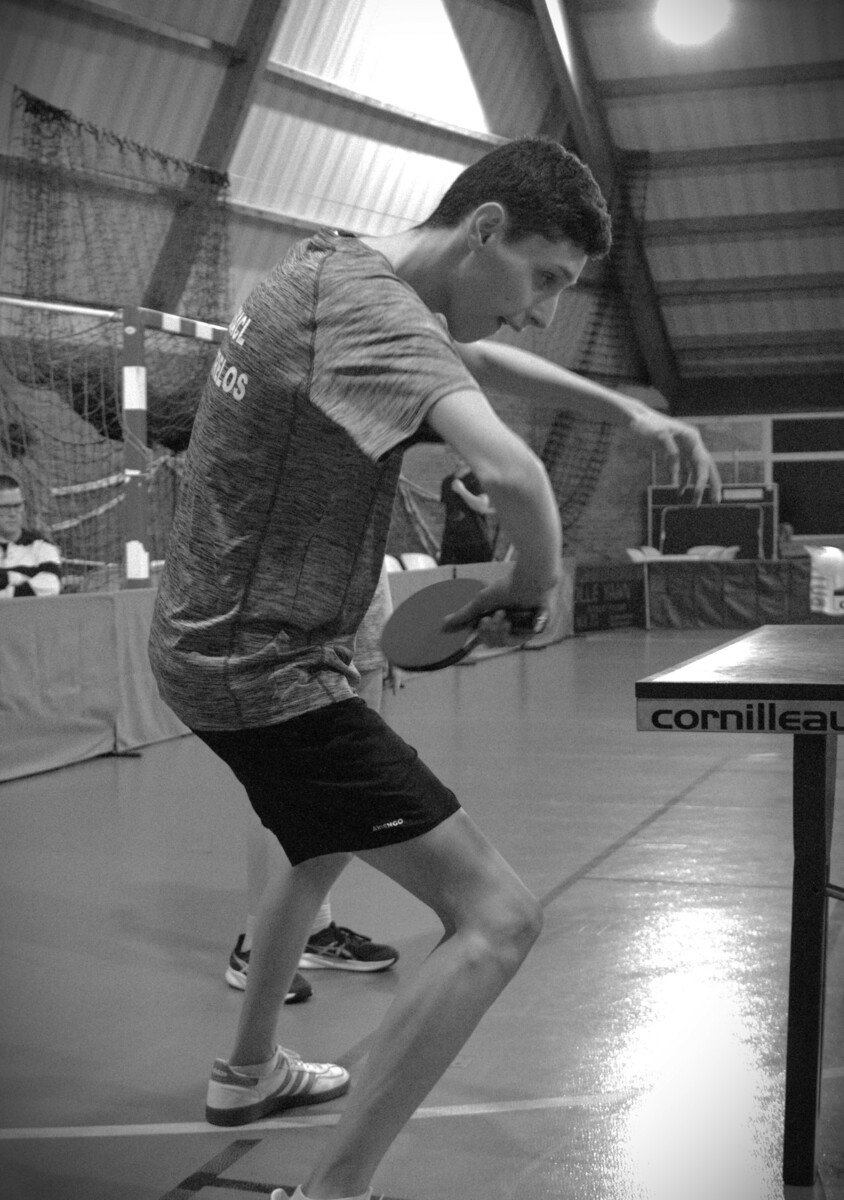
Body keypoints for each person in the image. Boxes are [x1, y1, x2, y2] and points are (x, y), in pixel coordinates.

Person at [149, 137, 721, 1200]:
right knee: (498, 919)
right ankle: (335, 1191)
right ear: (486, 229)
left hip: (227, 640)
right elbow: (514, 472)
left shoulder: (329, 267)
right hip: (264, 668)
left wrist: (628, 411)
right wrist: (526, 586)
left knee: (314, 843)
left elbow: (473, 363)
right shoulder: (372, 312)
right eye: (543, 279)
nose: (542, 311)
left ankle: (247, 1072)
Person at [226, 564, 400, 1006]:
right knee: (280, 792)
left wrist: (387, 632)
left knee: (345, 795)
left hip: (363, 635)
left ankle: (313, 931)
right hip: (296, 643)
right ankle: (256, 947)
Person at [0, 473, 61, 599]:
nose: (12, 513)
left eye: (17, 506)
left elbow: (50, 587)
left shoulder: (42, 548)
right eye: (5, 507)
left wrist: (8, 583)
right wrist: (19, 578)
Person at [438, 455, 496, 565]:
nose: (460, 457)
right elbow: (446, 512)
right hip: (452, 544)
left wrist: (462, 491)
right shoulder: (447, 482)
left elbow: (482, 506)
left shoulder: (477, 479)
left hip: (475, 543)